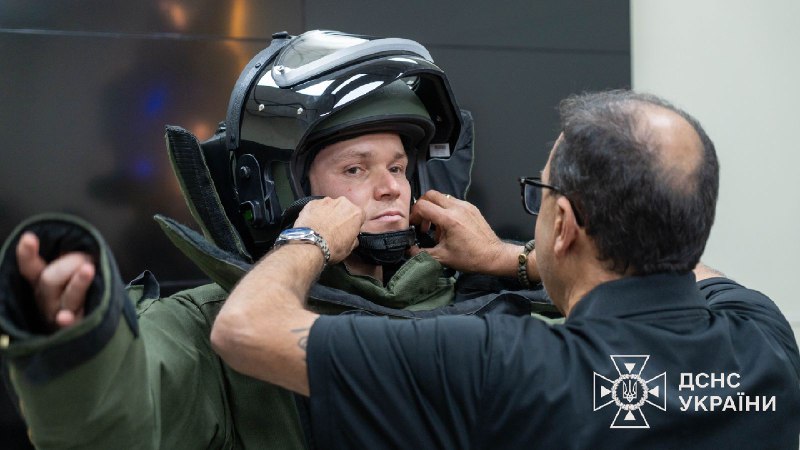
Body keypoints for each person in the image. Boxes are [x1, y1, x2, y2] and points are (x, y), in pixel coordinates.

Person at [0, 30, 555, 449]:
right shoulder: (217, 326)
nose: (391, 188)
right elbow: (116, 425)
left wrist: (514, 261)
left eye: (397, 166)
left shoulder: (485, 298)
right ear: (279, 192)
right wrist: (79, 343)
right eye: (356, 169)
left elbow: (606, 361)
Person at [212, 90, 800, 448]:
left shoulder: (495, 361)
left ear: (563, 224)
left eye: (541, 194)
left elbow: (245, 329)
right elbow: (680, 257)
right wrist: (506, 258)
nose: (389, 187)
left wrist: (310, 236)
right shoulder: (764, 337)